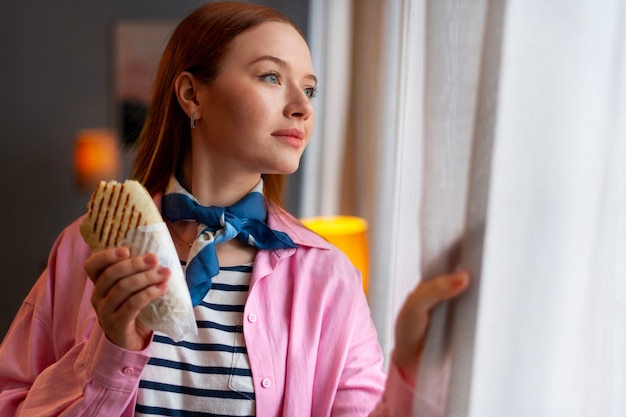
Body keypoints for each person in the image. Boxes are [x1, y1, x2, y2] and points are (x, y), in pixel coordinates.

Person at [0, 2, 469, 416]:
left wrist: (412, 370)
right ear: (192, 95)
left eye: (309, 90)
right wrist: (111, 354)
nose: (301, 107)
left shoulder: (328, 278)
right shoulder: (84, 248)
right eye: (271, 76)